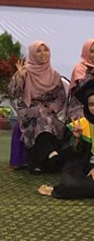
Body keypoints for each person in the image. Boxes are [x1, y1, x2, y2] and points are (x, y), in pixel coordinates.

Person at [38, 81, 94, 199]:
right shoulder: (79, 125)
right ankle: (61, 189)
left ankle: (60, 189)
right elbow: (67, 153)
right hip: (76, 166)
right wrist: (77, 139)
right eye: (91, 104)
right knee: (70, 185)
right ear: (87, 107)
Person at [8, 41, 66, 173]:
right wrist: (20, 78)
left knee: (42, 118)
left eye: (46, 50)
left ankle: (37, 164)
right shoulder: (25, 71)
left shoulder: (54, 75)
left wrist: (51, 108)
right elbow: (13, 94)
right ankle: (51, 153)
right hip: (27, 110)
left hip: (47, 111)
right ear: (33, 54)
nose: (43, 53)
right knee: (41, 115)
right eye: (39, 51)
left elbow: (60, 98)